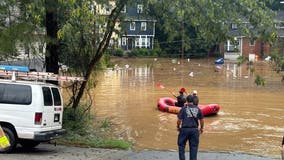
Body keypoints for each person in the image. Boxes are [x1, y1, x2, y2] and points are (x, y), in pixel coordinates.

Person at [177, 95, 204, 160]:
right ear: (193, 101)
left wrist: (178, 126)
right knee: (194, 147)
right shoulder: (198, 109)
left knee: (181, 146)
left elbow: (179, 120)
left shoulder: (183, 109)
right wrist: (201, 128)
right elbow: (202, 120)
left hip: (184, 129)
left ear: (186, 100)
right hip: (194, 130)